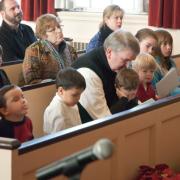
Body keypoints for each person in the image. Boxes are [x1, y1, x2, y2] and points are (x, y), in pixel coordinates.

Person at [72, 30, 140, 119]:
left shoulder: (113, 64)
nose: (127, 66)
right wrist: (124, 100)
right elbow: (103, 119)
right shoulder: (88, 74)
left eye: (130, 61)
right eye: (125, 60)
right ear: (109, 52)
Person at [20, 13, 77, 86]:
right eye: (53, 30)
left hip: (69, 89)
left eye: (59, 26)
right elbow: (32, 81)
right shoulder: (34, 50)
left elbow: (77, 72)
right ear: (43, 35)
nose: (59, 31)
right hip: (44, 92)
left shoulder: (70, 49)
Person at [44, 68, 93, 134]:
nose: (78, 98)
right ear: (61, 91)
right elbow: (59, 141)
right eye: (75, 95)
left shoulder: (69, 102)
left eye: (80, 94)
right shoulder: (56, 111)